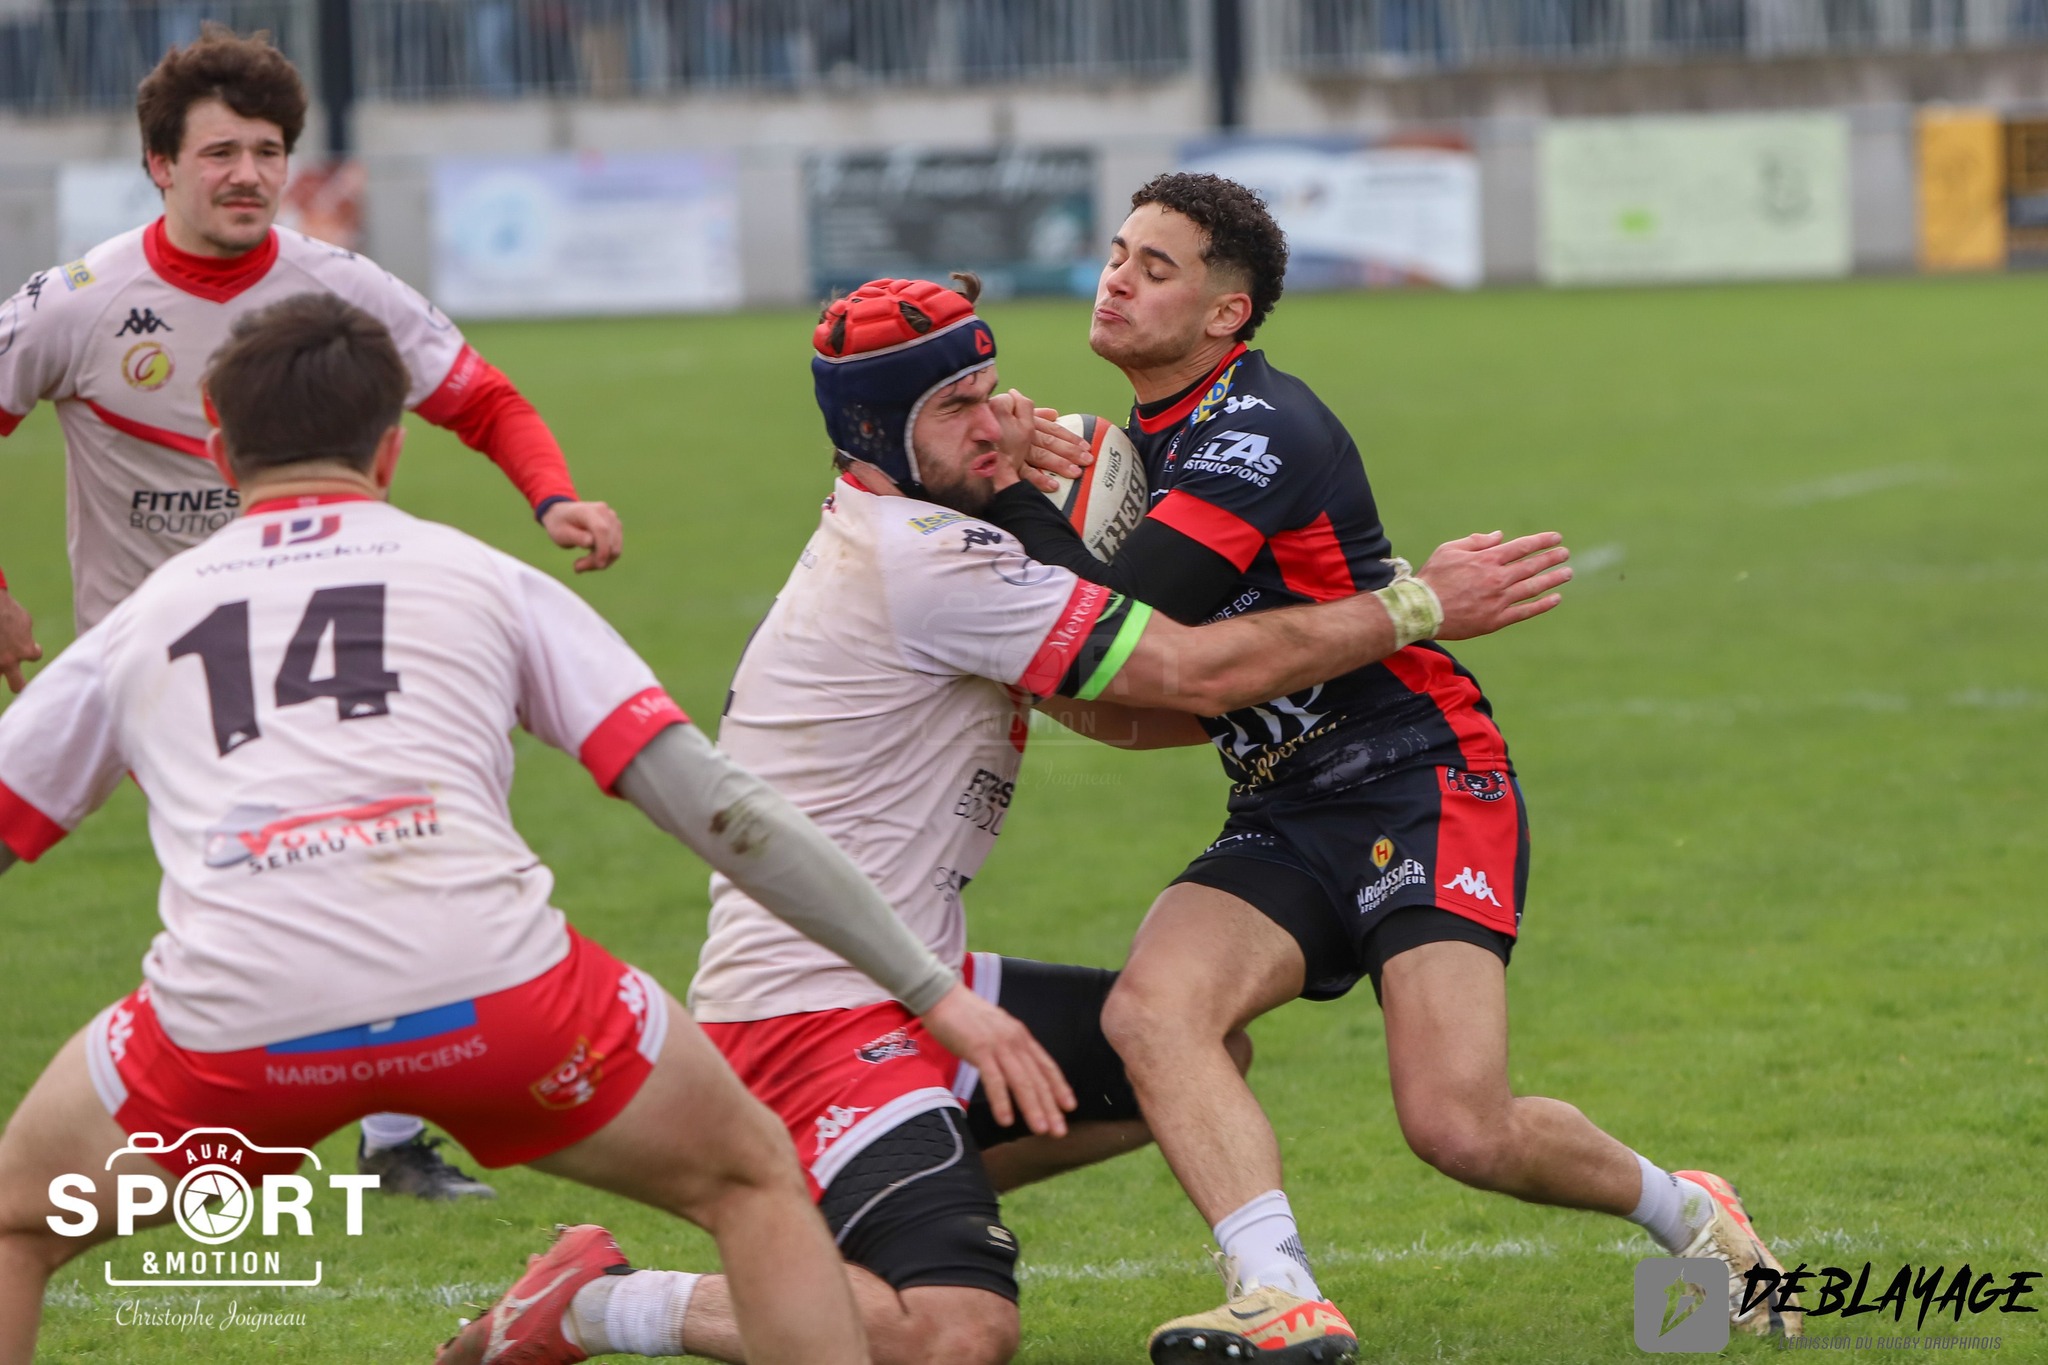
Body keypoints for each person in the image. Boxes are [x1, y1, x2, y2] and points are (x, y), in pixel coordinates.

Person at [499, 276, 1572, 1365]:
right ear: (875, 431)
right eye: (954, 408)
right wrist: (1412, 608)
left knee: (1175, 1048)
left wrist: (1315, 692)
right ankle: (600, 1303)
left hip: (917, 985)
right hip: (813, 1016)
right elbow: (1189, 671)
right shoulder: (929, 562)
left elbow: (1133, 709)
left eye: (989, 388)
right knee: (958, 1333)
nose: (995, 422)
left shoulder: (913, 528)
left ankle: (867, 1221)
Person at [0, 294, 1071, 1365]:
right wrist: (933, 994)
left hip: (235, 1022)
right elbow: (719, 807)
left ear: (219, 448)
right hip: (500, 1001)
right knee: (754, 1180)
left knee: (15, 1223)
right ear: (389, 449)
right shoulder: (483, 577)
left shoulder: (140, 623)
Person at [980, 173, 1802, 1362]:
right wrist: (1054, 578)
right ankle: (1276, 1292)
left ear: (1224, 311)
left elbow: (1131, 620)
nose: (1114, 281)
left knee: (1458, 1128)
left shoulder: (1257, 428)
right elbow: (1146, 685)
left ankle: (1687, 1211)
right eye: (1116, 255)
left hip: (1416, 775)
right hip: (1280, 799)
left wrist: (1003, 486)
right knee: (1152, 1012)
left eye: (1154, 268)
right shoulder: (1152, 442)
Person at [0, 24, 625, 1197]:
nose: (248, 175)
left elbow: (482, 398)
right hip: (160, 670)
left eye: (268, 151)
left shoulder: (338, 286)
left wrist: (554, 497)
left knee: (349, 862)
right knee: (280, 885)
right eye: (220, 152)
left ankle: (372, 1136)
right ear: (159, 166)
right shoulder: (77, 303)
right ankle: (259, 1115)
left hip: (327, 644)